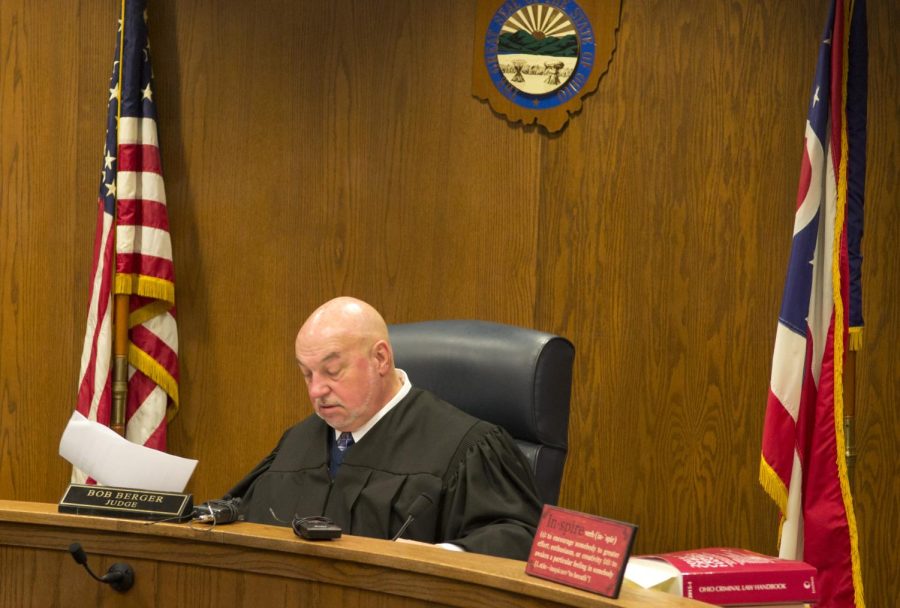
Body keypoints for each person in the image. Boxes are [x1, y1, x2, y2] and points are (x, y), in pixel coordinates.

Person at [223, 296, 543, 560]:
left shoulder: (467, 446)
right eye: (307, 374)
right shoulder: (296, 443)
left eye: (332, 371)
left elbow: (517, 537)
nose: (316, 390)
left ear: (380, 359)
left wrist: (443, 559)